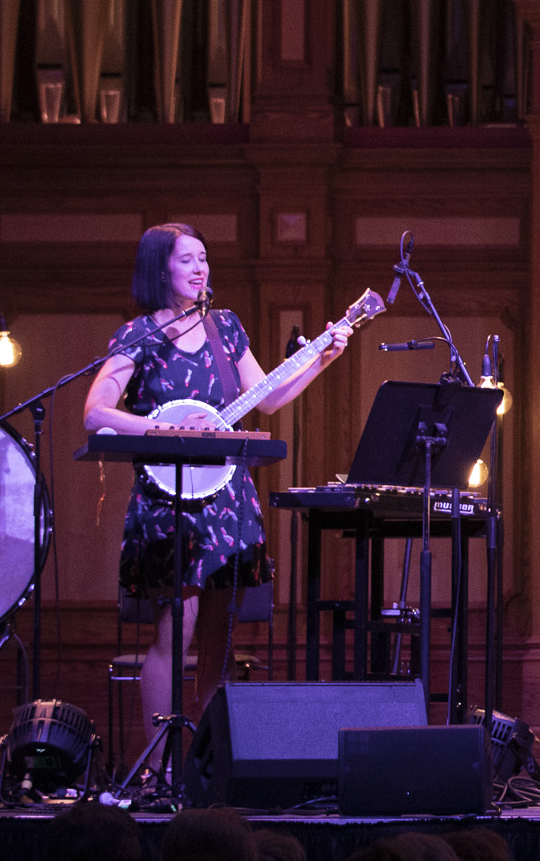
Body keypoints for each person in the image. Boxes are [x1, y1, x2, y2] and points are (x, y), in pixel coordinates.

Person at [83, 222, 351, 740]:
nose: (200, 268)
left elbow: (266, 398)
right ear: (159, 268)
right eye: (187, 259)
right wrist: (165, 428)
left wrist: (321, 359)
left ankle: (209, 769)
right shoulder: (138, 336)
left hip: (228, 500)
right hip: (170, 502)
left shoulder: (225, 328)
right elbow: (96, 413)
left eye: (204, 258)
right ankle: (158, 768)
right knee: (174, 635)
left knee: (220, 642)